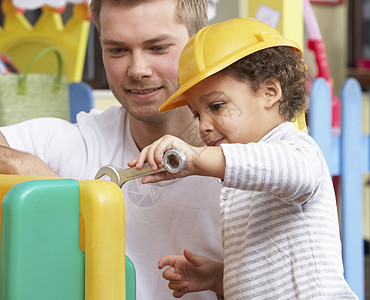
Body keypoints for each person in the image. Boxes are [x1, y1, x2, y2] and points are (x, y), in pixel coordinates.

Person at [0, 1, 224, 299]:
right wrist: (29, 171)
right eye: (117, 50)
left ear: (198, 45)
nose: (137, 70)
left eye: (157, 48)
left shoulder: (257, 159)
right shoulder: (80, 141)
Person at [130, 18, 358, 299]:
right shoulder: (237, 187)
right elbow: (266, 275)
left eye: (216, 106)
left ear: (269, 92)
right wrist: (219, 277)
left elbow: (286, 170)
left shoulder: (297, 149)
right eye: (197, 114)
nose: (203, 126)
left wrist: (198, 158)